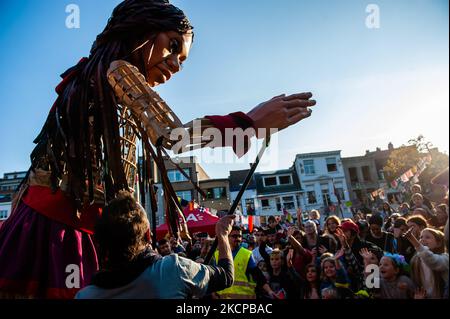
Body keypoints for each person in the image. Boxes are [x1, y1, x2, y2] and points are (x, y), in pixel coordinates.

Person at [0, 0, 316, 299]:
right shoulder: (118, 69)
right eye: (173, 46)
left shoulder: (93, 76)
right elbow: (172, 137)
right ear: (141, 31)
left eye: (182, 58)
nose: (176, 65)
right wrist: (249, 122)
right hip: (63, 228)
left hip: (49, 221)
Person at [75, 192, 235, 299]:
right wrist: (222, 234)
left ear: (100, 242)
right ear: (147, 235)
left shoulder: (84, 296)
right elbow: (226, 276)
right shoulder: (173, 269)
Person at [214, 226, 274, 299]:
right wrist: (213, 293)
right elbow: (212, 278)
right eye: (234, 236)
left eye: (239, 236)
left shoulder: (246, 254)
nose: (238, 239)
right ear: (227, 237)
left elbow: (258, 275)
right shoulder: (217, 254)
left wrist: (269, 291)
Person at [405, 227, 449, 299]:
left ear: (438, 243)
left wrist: (414, 241)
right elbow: (412, 278)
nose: (422, 239)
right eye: (421, 237)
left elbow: (433, 260)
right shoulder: (416, 260)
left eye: (427, 237)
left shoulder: (445, 258)